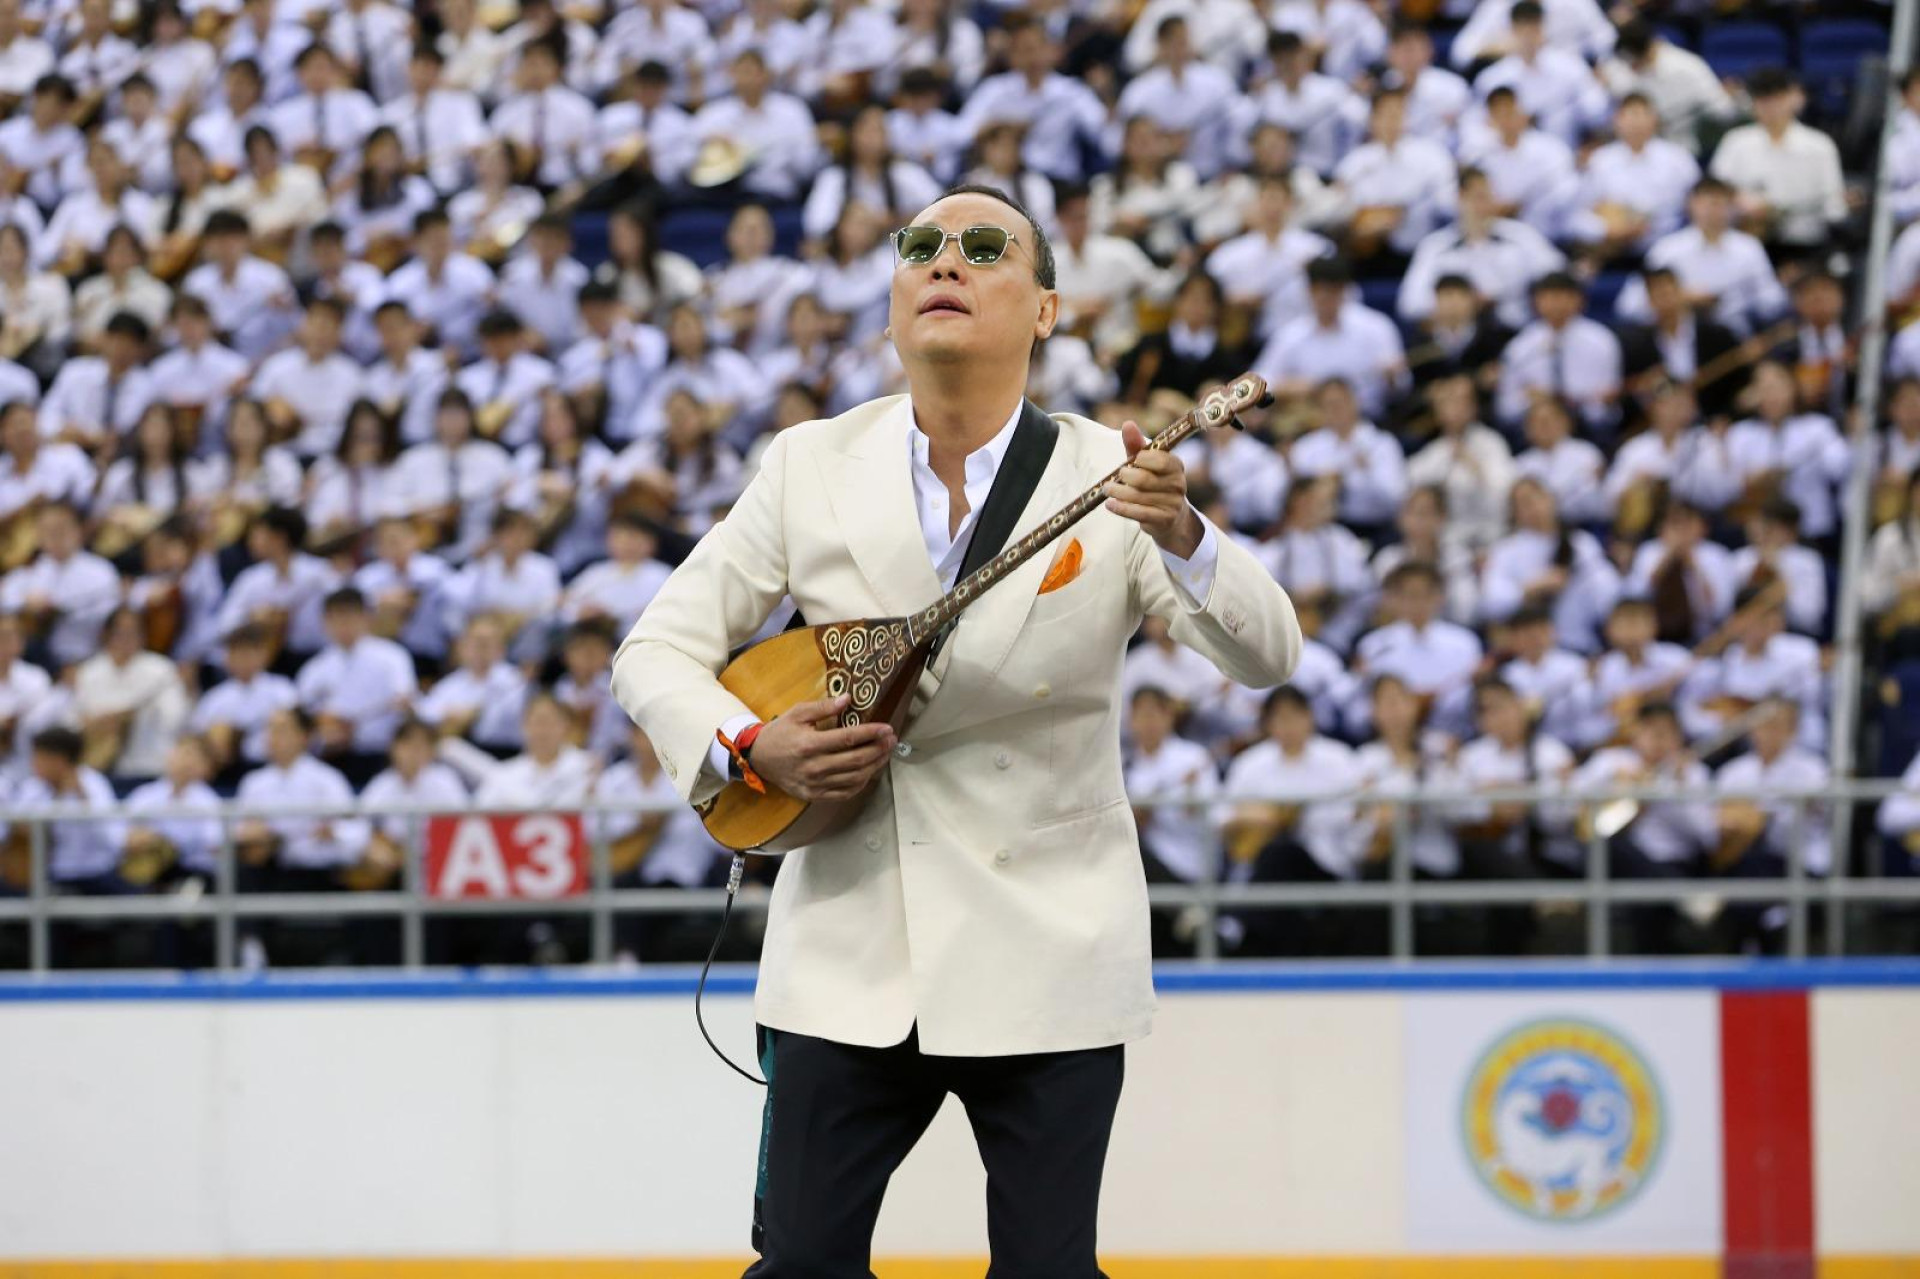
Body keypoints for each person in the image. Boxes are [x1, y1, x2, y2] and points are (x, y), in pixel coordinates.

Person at [611, 183, 1299, 1276]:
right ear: (891, 300)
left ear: (1047, 309)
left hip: (1053, 950)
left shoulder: (1114, 475)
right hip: (846, 951)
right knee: (800, 1270)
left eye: (984, 247)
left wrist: (1184, 530)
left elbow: (1270, 655)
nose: (944, 262)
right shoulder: (806, 463)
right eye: (919, 245)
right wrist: (747, 748)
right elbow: (653, 651)